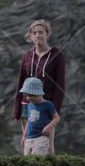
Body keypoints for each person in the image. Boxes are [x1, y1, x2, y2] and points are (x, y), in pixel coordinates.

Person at [12, 19, 66, 154]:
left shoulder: (56, 55)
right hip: (27, 104)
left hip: (46, 104)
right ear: (30, 36)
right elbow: (20, 82)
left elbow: (60, 84)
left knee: (48, 146)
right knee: (27, 145)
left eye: (41, 32)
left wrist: (56, 109)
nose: (38, 35)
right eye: (34, 33)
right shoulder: (27, 56)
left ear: (47, 34)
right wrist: (17, 108)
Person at [20, 77, 60, 156]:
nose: (28, 98)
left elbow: (57, 118)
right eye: (27, 95)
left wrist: (49, 127)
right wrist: (24, 136)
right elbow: (29, 121)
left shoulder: (48, 105)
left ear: (39, 93)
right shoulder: (30, 105)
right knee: (27, 160)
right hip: (29, 138)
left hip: (41, 138)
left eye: (31, 95)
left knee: (37, 158)